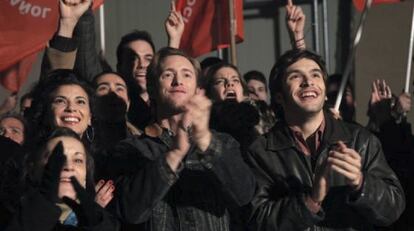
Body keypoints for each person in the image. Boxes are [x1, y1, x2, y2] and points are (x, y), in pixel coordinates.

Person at [245, 49, 405, 230]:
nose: (308, 82)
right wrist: (311, 200)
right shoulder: (261, 151)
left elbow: (393, 209)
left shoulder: (360, 140)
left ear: (325, 92)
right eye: (296, 77)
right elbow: (255, 221)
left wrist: (361, 183)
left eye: (315, 75)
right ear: (279, 97)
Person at [108, 47, 255, 230]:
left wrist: (205, 141)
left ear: (198, 90)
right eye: (168, 75)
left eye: (186, 75)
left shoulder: (223, 143)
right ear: (152, 88)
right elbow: (131, 210)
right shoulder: (131, 149)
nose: (178, 81)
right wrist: (174, 155)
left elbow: (244, 194)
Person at [4, 127, 118, 230]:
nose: (68, 166)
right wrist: (44, 204)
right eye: (56, 158)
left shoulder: (106, 223)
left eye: (77, 160)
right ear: (33, 169)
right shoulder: (9, 214)